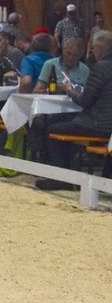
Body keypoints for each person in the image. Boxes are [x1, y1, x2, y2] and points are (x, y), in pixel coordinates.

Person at [33, 30, 112, 188]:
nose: (92, 52)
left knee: (52, 130)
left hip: (97, 124)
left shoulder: (100, 67)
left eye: (93, 48)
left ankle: (61, 178)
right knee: (64, 124)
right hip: (108, 126)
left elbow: (85, 101)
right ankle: (69, 173)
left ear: (99, 48)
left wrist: (69, 91)